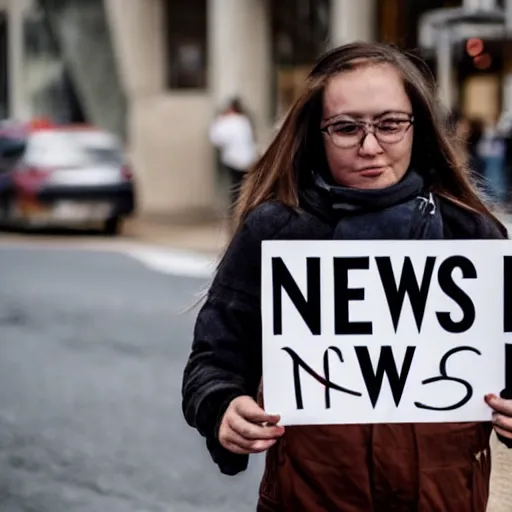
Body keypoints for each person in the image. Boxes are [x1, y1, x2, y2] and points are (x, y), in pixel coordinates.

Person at [182, 42, 512, 511]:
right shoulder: (275, 233)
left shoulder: (473, 236)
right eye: (346, 128)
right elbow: (212, 363)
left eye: (390, 124)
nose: (370, 146)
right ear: (318, 132)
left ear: (417, 125)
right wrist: (223, 409)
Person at [209, 97, 257, 214]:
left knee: (234, 187)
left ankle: (236, 210)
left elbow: (216, 138)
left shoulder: (227, 121)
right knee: (242, 186)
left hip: (233, 160)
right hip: (247, 159)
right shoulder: (244, 120)